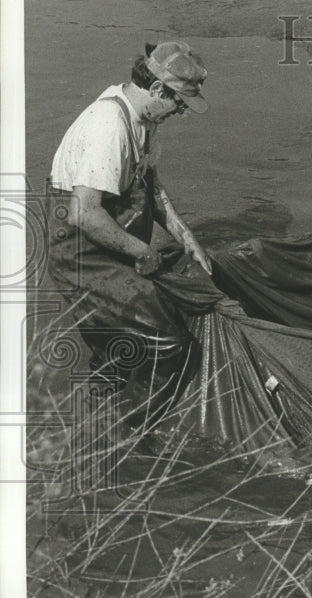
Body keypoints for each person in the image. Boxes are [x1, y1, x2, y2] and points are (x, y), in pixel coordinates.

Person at [46, 41, 212, 396]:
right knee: (164, 339)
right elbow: (84, 213)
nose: (179, 112)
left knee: (116, 350)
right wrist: (143, 251)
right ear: (156, 88)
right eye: (179, 102)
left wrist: (188, 240)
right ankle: (139, 429)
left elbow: (152, 190)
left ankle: (102, 416)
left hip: (111, 243)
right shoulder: (110, 127)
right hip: (82, 255)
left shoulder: (145, 120)